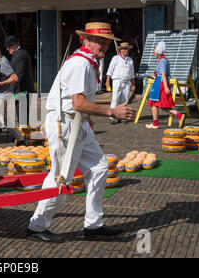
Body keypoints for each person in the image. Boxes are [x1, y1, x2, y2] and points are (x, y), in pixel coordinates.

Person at [26, 22, 136, 243]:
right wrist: (112, 111)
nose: (103, 45)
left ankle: (93, 225)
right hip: (65, 123)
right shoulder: (81, 64)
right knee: (61, 176)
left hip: (78, 122)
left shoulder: (89, 61)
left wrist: (88, 118)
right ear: (86, 40)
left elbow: (80, 102)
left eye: (106, 42)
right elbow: (77, 102)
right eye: (99, 41)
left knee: (99, 167)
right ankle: (36, 226)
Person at [145, 41, 185, 129]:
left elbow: (163, 74)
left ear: (158, 52)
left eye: (155, 52)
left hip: (160, 84)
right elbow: (162, 74)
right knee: (162, 105)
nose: (154, 53)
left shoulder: (162, 61)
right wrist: (155, 77)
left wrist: (166, 87)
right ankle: (179, 116)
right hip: (160, 81)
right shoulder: (163, 60)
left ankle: (155, 124)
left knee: (154, 104)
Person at [105, 42, 135, 124]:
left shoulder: (130, 60)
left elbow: (132, 73)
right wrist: (107, 80)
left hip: (127, 81)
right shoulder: (116, 58)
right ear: (120, 50)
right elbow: (110, 70)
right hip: (117, 80)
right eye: (124, 49)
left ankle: (122, 116)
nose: (126, 50)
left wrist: (133, 84)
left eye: (127, 49)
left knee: (124, 100)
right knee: (115, 98)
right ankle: (112, 116)